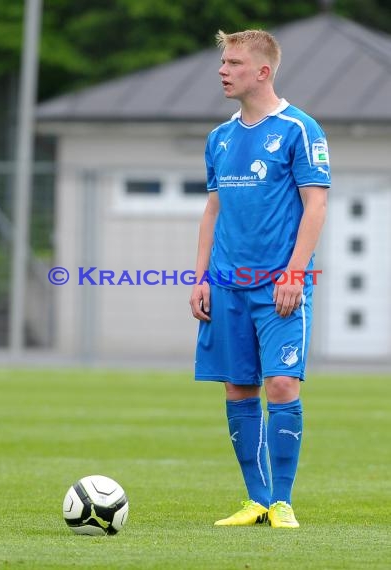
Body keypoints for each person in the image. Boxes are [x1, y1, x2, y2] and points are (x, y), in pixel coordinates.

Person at [190, 29, 330, 529]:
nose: (223, 70)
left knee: (281, 385)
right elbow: (213, 209)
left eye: (233, 63)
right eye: (223, 62)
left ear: (263, 71)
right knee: (238, 388)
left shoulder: (299, 129)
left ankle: (283, 501)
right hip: (226, 284)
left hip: (279, 287)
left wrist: (295, 271)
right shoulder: (219, 138)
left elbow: (316, 203)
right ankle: (256, 500)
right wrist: (201, 276)